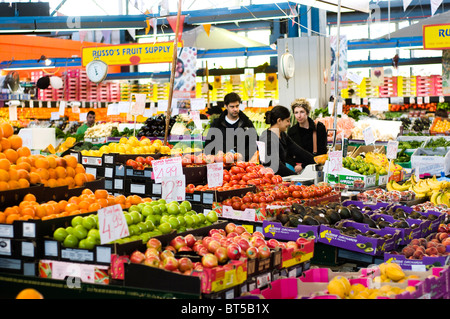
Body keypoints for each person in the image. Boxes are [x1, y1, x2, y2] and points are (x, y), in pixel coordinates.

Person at [259, 105, 315, 177]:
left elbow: (298, 151)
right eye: (287, 121)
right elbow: (276, 166)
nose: (289, 124)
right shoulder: (267, 139)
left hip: (280, 178)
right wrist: (296, 176)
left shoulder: (282, 135)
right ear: (279, 120)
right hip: (271, 180)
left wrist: (315, 160)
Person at [204, 92, 257, 161]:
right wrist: (218, 155)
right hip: (222, 163)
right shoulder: (217, 124)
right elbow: (209, 145)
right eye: (232, 107)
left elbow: (254, 143)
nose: (235, 109)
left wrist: (243, 155)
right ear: (226, 106)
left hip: (242, 165)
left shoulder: (247, 123)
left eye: (237, 106)